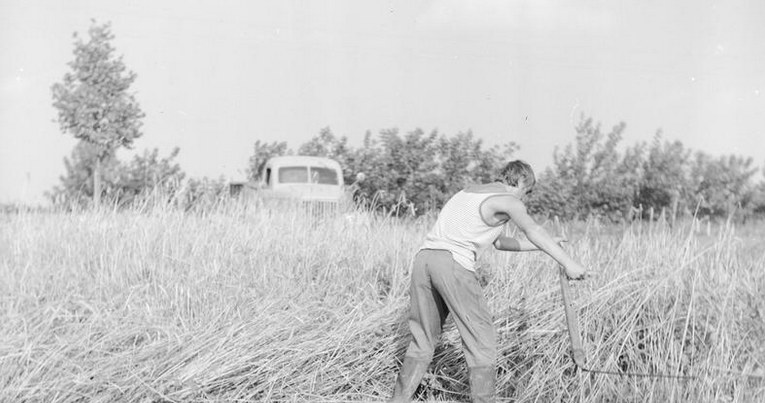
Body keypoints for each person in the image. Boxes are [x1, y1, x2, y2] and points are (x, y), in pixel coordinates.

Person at [389, 160, 589, 403]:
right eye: (527, 192)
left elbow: (501, 243)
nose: (524, 200)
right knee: (482, 342)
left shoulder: (469, 192)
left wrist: (547, 247)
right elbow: (533, 230)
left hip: (424, 261)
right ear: (522, 182)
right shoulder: (509, 200)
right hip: (453, 265)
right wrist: (569, 263)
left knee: (422, 341)